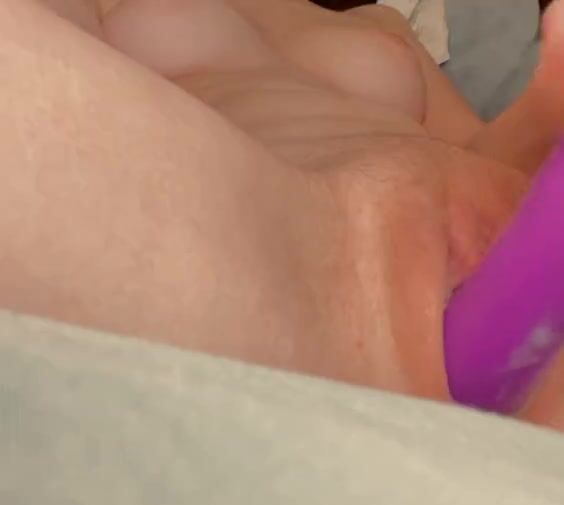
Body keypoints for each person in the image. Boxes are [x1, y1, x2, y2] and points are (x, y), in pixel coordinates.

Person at [2, 0, 563, 427]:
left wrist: (543, 109)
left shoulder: (383, 23)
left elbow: (474, 164)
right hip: (281, 277)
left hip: (460, 299)